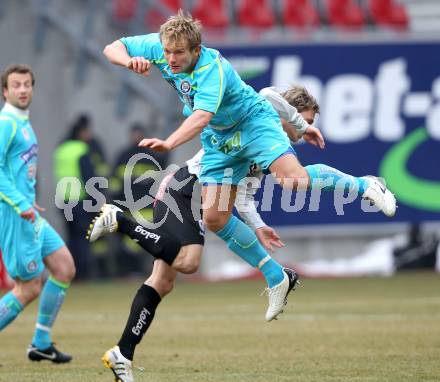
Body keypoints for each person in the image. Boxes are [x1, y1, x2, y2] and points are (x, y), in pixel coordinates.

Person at [103, 9, 396, 303]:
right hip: (220, 140)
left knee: (293, 180)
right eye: (167, 52)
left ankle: (366, 185)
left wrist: (169, 142)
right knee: (215, 218)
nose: (170, 59)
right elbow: (112, 47)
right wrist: (128, 61)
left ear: (197, 49)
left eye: (179, 53)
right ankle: (276, 277)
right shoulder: (160, 46)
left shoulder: (210, 69)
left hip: (251, 124)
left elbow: (203, 116)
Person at [87, 85, 319, 382]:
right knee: (189, 262)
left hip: (186, 194)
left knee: (162, 282)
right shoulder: (256, 121)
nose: (305, 131)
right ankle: (119, 220)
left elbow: (243, 196)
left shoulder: (265, 147)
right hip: (185, 192)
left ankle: (123, 353)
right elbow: (267, 94)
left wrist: (258, 225)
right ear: (289, 114)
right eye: (305, 121)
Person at [0, 64, 75, 363]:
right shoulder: (7, 123)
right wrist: (20, 203)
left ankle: (41, 343)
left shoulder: (25, 123)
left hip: (30, 213)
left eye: (27, 84)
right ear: (5, 91)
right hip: (15, 216)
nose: (22, 90)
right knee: (28, 287)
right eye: (16, 85)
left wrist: (29, 201)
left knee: (64, 268)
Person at [54, 115, 98, 280]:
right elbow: (88, 178)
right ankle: (82, 273)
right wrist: (96, 201)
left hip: (63, 200)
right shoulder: (81, 149)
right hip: (79, 201)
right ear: (81, 132)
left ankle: (70, 271)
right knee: (82, 238)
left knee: (71, 238)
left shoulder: (61, 150)